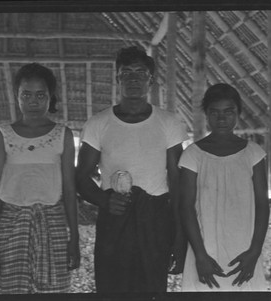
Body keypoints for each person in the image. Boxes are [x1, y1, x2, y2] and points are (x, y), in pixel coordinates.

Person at [76, 46, 188, 293]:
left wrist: (180, 235)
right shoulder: (98, 123)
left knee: (152, 289)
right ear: (117, 79)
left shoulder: (169, 123)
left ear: (151, 81)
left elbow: (178, 181)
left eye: (141, 73)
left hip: (156, 218)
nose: (133, 78)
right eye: (126, 73)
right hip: (115, 217)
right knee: (111, 288)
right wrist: (103, 200)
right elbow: (81, 177)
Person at [0, 63, 79, 294]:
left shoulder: (62, 134)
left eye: (40, 95)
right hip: (12, 223)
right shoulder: (4, 134)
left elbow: (68, 189)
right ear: (17, 96)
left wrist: (74, 239)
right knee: (13, 290)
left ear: (51, 97)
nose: (33, 101)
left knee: (56, 289)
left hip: (53, 222)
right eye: (26, 94)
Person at [178, 83, 269, 291]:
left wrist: (255, 251)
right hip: (204, 249)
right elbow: (186, 207)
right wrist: (200, 256)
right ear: (206, 115)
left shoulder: (253, 154)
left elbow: (263, 205)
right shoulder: (192, 155)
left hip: (244, 250)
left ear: (238, 114)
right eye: (214, 112)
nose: (221, 118)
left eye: (229, 112)